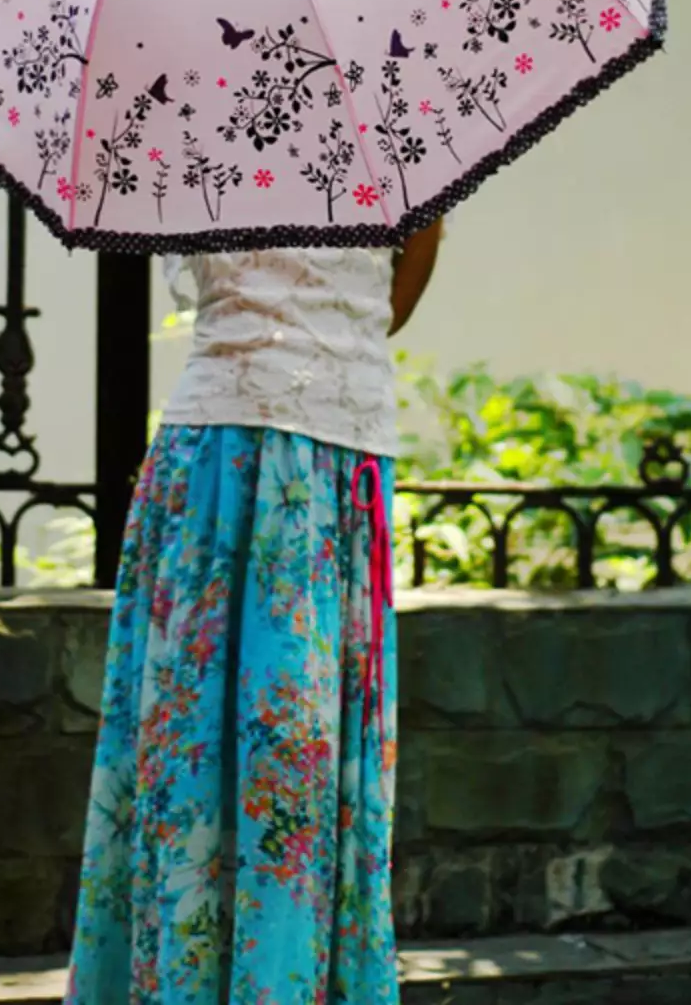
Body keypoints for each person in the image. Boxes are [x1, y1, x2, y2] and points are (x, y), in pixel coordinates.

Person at [66, 219, 444, 1005]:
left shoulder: (368, 115)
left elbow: (386, 288)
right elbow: (389, 294)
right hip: (248, 455)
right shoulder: (224, 105)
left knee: (276, 761)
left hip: (307, 455)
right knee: (224, 761)